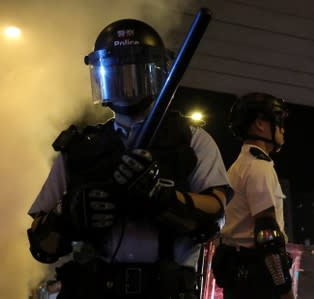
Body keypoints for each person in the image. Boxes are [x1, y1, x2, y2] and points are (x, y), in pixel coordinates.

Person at [27, 18, 232, 299]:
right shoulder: (78, 148)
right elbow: (42, 246)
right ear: (100, 76)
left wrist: (164, 198)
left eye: (135, 70)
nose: (125, 82)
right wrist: (67, 214)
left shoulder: (192, 140)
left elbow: (214, 217)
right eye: (115, 72)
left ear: (157, 73)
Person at [211, 92, 295, 299]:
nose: (283, 130)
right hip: (257, 282)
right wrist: (285, 290)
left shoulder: (238, 166)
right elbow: (267, 236)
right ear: (259, 124)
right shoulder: (259, 167)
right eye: (279, 121)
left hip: (240, 278)